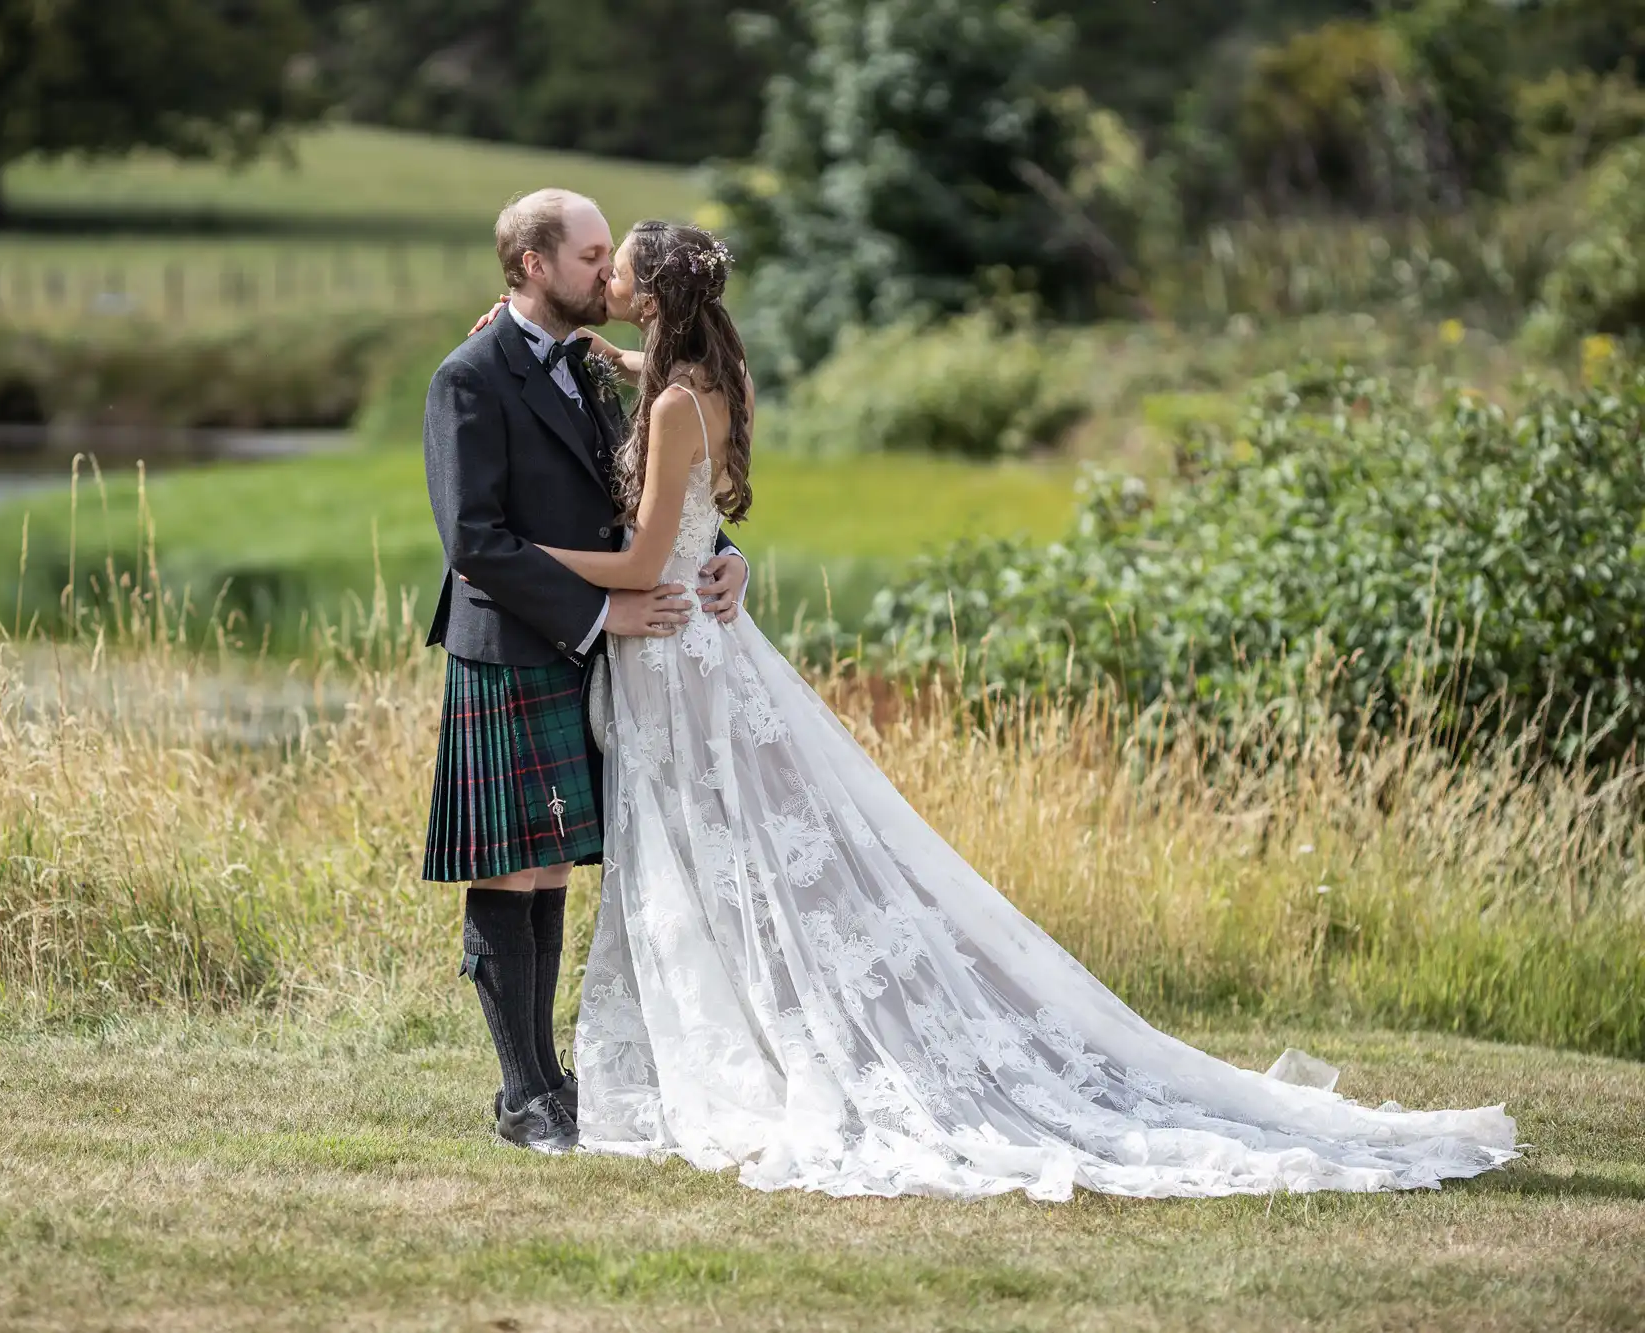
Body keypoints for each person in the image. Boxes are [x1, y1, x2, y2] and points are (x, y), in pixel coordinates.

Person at [527, 218, 1520, 1200]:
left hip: (671, 647)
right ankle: (745, 1026)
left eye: (614, 276)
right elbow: (685, 461)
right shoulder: (718, 379)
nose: (604, 283)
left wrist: (520, 562)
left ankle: (752, 1047)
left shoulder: (666, 410)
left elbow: (647, 561)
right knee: (727, 857)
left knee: (711, 856)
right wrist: (604, 356)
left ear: (651, 297)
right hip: (707, 649)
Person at [419, 189, 750, 1155]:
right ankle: (523, 1092)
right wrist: (606, 606)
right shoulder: (468, 377)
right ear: (530, 264)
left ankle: (551, 1080)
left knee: (555, 862)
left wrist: (721, 555)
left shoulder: (602, 372)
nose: (606, 276)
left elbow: (655, 493)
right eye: (589, 256)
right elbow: (474, 540)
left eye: (613, 257)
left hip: (592, 648)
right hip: (514, 645)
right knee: (510, 865)